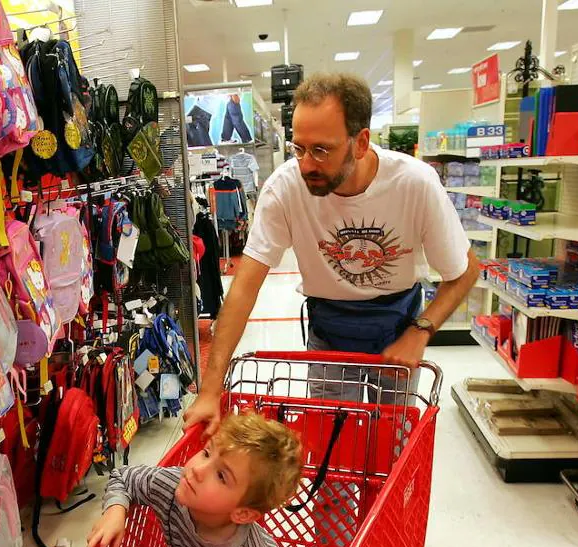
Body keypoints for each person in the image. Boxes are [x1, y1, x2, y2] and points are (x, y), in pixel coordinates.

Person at [184, 73, 481, 434]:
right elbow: (244, 288)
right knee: (331, 452)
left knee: (392, 450)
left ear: (361, 143)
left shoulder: (414, 183)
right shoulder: (285, 188)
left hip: (399, 330)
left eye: (321, 150)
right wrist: (211, 390)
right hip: (328, 336)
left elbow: (465, 272)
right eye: (299, 148)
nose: (307, 164)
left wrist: (419, 333)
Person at [85, 412, 302, 547]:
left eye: (220, 476)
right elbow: (124, 476)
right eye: (207, 452)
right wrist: (116, 511)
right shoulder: (171, 486)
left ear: (242, 513)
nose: (197, 469)